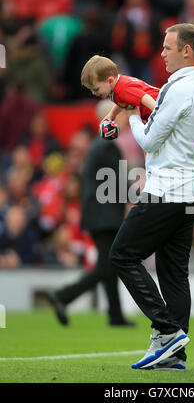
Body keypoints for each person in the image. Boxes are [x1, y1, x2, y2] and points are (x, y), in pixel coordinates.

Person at [109, 23, 194, 370]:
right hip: (192, 192)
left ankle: (167, 331)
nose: (162, 53)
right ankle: (175, 355)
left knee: (122, 254)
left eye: (167, 47)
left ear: (187, 50)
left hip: (167, 190)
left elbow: (151, 140)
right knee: (174, 274)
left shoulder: (181, 88)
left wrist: (130, 120)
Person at [46, 136, 135, 327]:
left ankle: (115, 315)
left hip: (99, 215)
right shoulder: (107, 146)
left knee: (109, 266)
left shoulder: (98, 145)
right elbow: (117, 179)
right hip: (105, 217)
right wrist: (140, 195)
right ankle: (62, 296)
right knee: (106, 266)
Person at [81, 55, 160, 124]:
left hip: (159, 104)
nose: (93, 93)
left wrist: (158, 113)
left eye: (96, 89)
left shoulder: (123, 89)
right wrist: (111, 115)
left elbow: (145, 97)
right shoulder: (117, 87)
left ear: (110, 81)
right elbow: (122, 101)